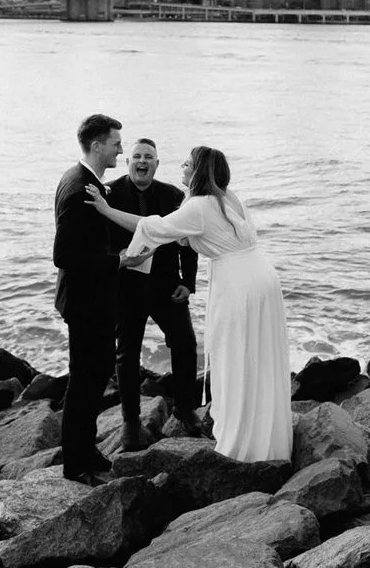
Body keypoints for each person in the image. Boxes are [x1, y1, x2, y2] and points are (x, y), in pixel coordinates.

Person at [85, 146, 291, 463]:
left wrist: (105, 209)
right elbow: (186, 235)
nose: (182, 167)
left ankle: (243, 443)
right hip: (261, 277)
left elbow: (151, 227)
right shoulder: (228, 196)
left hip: (238, 284)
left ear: (198, 172)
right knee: (258, 356)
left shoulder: (197, 205)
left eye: (187, 164)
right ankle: (267, 436)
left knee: (234, 356)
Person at [53, 114, 151, 484]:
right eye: (115, 144)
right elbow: (64, 255)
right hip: (86, 303)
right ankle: (76, 463)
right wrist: (120, 260)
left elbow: (88, 240)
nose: (121, 150)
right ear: (97, 146)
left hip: (90, 299)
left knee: (92, 379)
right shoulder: (80, 187)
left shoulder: (84, 180)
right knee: (85, 382)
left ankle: (87, 451)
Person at [105, 138, 204, 450]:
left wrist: (188, 282)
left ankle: (185, 410)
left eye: (148, 157)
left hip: (166, 285)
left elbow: (187, 242)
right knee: (126, 353)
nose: (142, 161)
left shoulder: (173, 195)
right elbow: (97, 240)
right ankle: (130, 422)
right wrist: (116, 254)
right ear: (128, 162)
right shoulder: (110, 194)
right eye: (136, 156)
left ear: (157, 164)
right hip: (126, 286)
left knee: (185, 343)